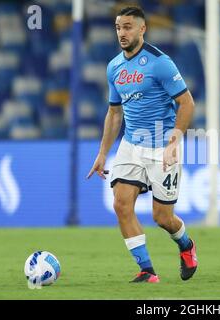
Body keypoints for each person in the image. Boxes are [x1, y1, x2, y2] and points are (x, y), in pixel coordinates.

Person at [87, 6, 197, 283]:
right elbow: (114, 112)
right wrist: (102, 153)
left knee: (162, 218)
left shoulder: (160, 62)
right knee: (121, 205)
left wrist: (174, 142)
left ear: (141, 29)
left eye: (127, 27)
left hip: (161, 145)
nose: (121, 33)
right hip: (131, 145)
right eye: (118, 27)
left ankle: (186, 245)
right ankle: (147, 271)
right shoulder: (114, 67)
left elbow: (186, 103)